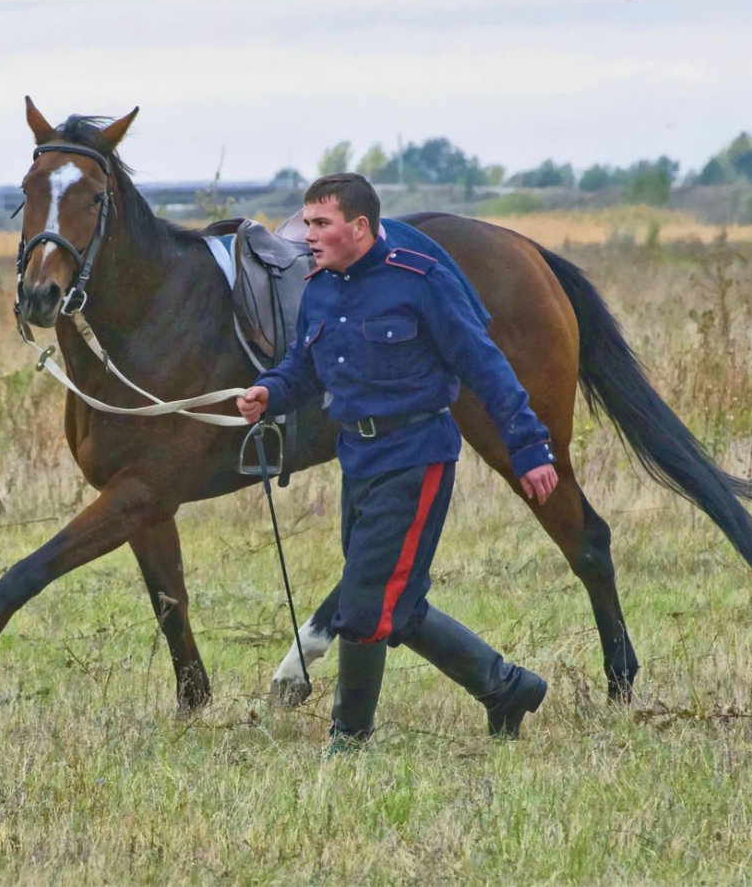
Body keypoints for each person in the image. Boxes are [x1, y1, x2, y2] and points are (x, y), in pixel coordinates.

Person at [236, 173, 558, 748]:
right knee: (396, 605)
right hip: (356, 459)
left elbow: (486, 365)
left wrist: (529, 448)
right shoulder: (320, 288)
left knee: (363, 608)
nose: (307, 234)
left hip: (416, 458)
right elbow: (302, 369)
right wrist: (269, 394)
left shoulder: (422, 281)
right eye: (306, 222)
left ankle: (349, 740)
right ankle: (507, 688)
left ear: (359, 227)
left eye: (321, 224)